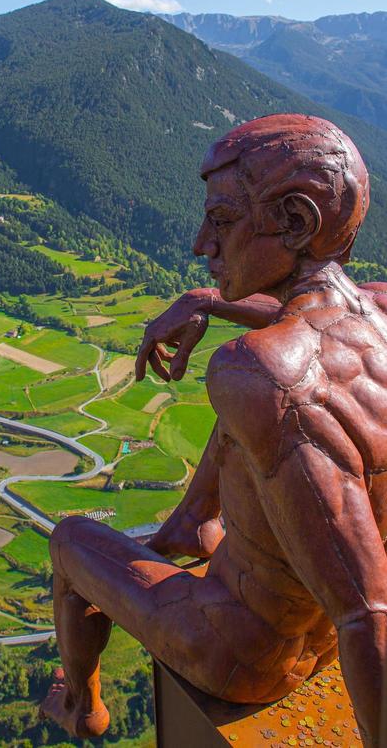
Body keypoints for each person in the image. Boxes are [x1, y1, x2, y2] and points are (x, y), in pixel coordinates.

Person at [40, 114, 387, 746]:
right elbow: (308, 309)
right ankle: (196, 518)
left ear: (297, 222)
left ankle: (80, 704)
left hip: (243, 656)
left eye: (222, 221)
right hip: (321, 646)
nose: (203, 243)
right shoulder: (379, 311)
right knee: (267, 389)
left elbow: (365, 611)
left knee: (69, 543)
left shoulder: (262, 370)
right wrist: (209, 301)